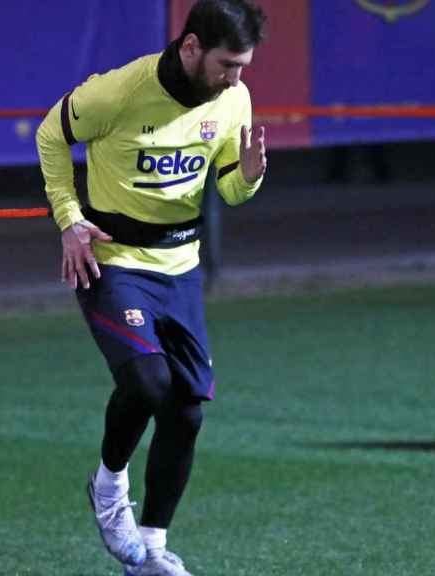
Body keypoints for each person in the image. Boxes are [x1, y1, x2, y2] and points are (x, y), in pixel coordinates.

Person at [35, 2, 267, 574]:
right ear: (190, 48)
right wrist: (69, 220)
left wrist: (251, 175)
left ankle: (152, 553)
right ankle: (109, 487)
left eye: (243, 66)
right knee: (147, 380)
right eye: (226, 64)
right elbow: (49, 134)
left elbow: (231, 192)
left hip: (180, 267)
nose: (235, 78)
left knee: (187, 412)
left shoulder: (233, 98)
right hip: (113, 260)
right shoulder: (120, 92)